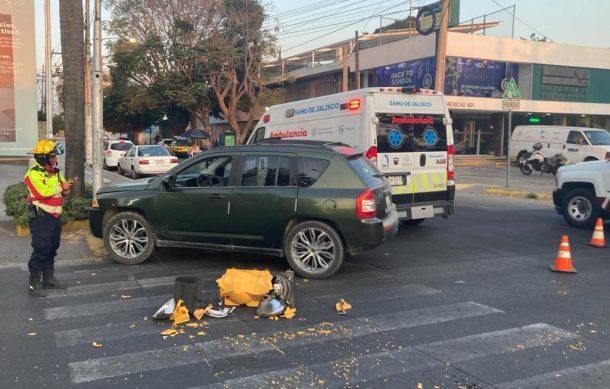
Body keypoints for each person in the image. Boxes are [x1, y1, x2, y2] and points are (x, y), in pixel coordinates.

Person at [24, 139, 76, 297]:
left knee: (52, 248)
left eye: (55, 157)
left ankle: (48, 279)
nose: (55, 160)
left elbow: (62, 191)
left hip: (54, 216)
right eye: (52, 157)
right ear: (43, 158)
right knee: (41, 249)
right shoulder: (32, 174)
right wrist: (62, 187)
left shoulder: (56, 172)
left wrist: (66, 189)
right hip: (41, 217)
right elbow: (42, 192)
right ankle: (34, 284)